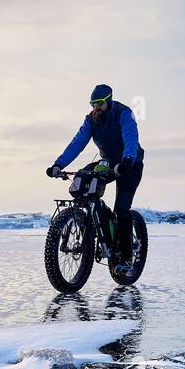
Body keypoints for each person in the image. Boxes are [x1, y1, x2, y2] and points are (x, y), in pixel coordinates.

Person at [46, 84, 145, 271]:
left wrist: (128, 160)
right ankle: (94, 222)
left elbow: (130, 137)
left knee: (122, 209)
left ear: (108, 101)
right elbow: (77, 143)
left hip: (129, 164)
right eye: (92, 104)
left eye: (99, 104)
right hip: (108, 162)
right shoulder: (91, 120)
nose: (95, 108)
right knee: (82, 181)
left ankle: (126, 256)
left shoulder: (124, 113)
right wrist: (59, 165)